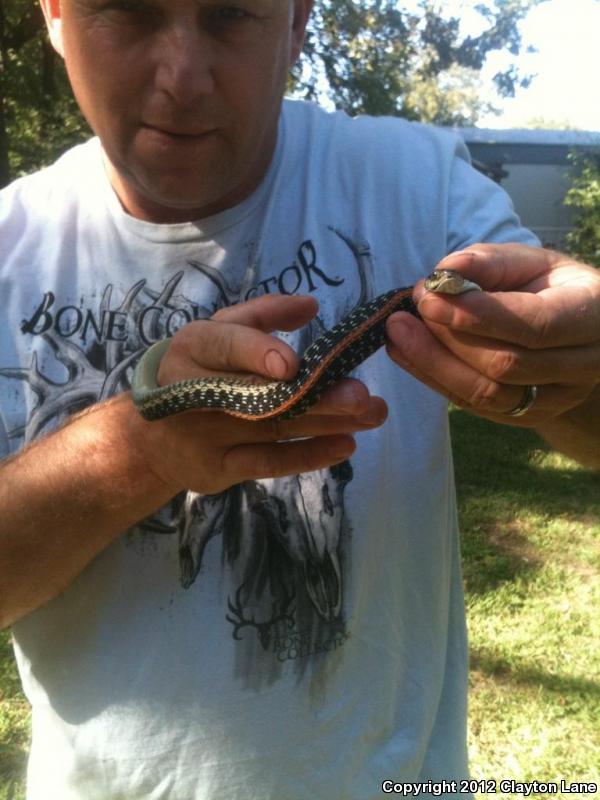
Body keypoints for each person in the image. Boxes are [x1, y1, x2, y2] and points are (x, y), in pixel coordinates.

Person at [0, 1, 598, 798]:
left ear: (297, 23)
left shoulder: (416, 186)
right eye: (130, 12)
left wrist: (572, 369)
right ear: (54, 14)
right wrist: (138, 448)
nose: (183, 78)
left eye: (229, 16)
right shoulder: (12, 244)